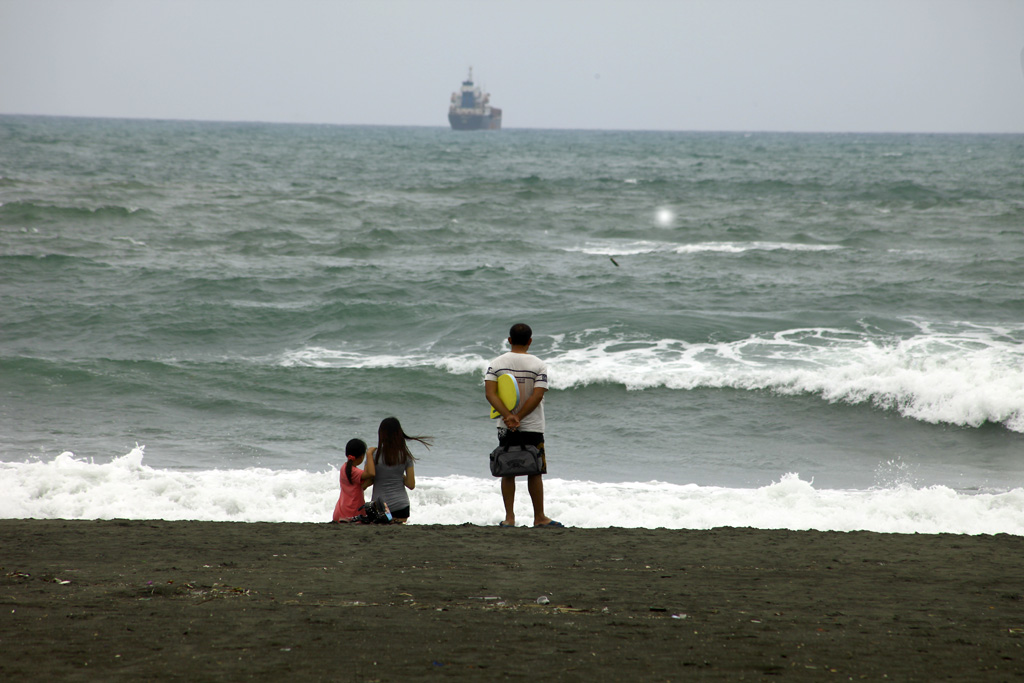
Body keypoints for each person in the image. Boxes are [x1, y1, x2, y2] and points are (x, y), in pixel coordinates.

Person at [484, 323, 563, 528]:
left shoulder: (496, 364)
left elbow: (490, 393)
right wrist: (518, 416)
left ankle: (509, 518)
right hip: (533, 425)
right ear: (530, 341)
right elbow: (538, 395)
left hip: (505, 425)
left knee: (507, 469)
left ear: (509, 340)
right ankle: (539, 517)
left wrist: (509, 416)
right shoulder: (539, 365)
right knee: (535, 470)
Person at [368, 417, 431, 524]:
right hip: (401, 507)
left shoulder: (374, 455)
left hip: (380, 508)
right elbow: (411, 484)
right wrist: (399, 475)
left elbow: (368, 481)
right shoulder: (405, 456)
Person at [332, 438, 375, 523]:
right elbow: (371, 473)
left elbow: (362, 485)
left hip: (340, 511)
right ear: (361, 456)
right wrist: (369, 454)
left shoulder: (344, 468)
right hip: (352, 513)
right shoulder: (355, 472)